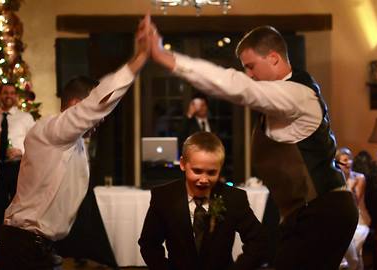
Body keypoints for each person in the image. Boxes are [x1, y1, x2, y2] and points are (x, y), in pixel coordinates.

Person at [147, 19, 358, 269]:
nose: (249, 74)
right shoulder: (280, 104)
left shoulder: (296, 94)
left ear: (273, 58)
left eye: (250, 66)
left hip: (323, 212)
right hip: (308, 215)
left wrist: (167, 58)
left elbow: (238, 87)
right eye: (245, 69)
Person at [0, 15, 151, 270]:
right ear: (76, 106)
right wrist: (139, 60)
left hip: (39, 248)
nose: (99, 120)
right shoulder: (49, 130)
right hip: (22, 249)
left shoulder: (73, 142)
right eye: (94, 112)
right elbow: (96, 105)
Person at [138, 131, 267, 270]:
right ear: (182, 164)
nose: (204, 180)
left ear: (220, 169)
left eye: (212, 172)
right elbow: (149, 244)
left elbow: (258, 240)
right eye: (197, 171)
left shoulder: (233, 198)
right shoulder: (164, 197)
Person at [0, 82, 35, 229]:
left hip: (18, 168)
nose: (8, 96)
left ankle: (15, 244)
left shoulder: (26, 117)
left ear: (16, 96)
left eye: (12, 93)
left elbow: (35, 143)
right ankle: (0, 244)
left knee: (18, 208)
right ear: (0, 95)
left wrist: (21, 152)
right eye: (5, 93)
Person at [336, 147, 371, 270]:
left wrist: (350, 188)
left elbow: (354, 203)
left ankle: (347, 265)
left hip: (359, 218)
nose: (348, 163)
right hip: (342, 219)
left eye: (349, 159)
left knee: (353, 243)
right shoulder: (336, 180)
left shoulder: (359, 178)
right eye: (344, 160)